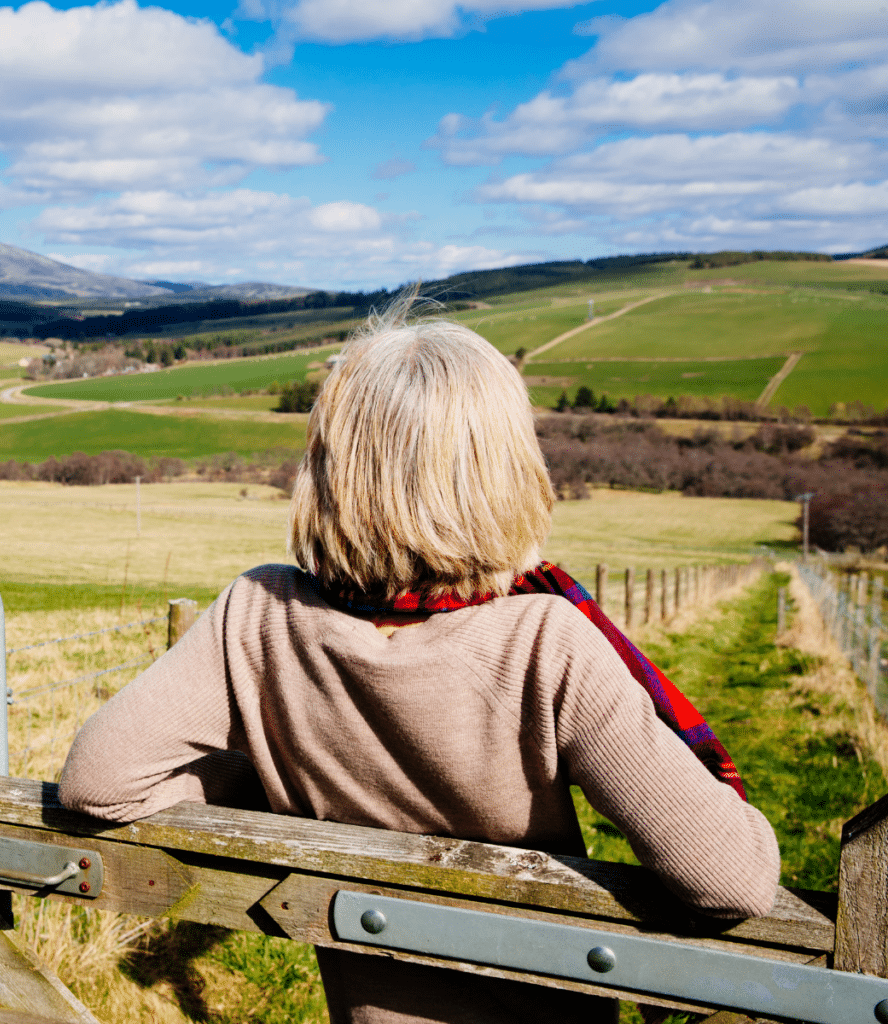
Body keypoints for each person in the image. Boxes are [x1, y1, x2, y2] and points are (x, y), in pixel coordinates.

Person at [58, 296, 780, 1024]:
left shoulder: (259, 613)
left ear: (329, 472)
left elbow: (98, 783)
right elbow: (730, 879)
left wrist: (289, 781)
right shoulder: (546, 641)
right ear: (507, 470)